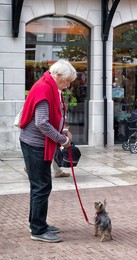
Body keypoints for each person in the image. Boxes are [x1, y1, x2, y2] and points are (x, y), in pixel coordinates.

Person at [19, 59, 77, 243]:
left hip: (37, 143)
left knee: (40, 186)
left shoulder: (48, 85)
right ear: (58, 75)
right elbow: (42, 122)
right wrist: (63, 139)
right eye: (67, 80)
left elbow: (50, 117)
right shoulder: (45, 88)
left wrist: (62, 129)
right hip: (35, 144)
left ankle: (37, 223)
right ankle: (37, 229)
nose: (68, 85)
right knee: (42, 187)